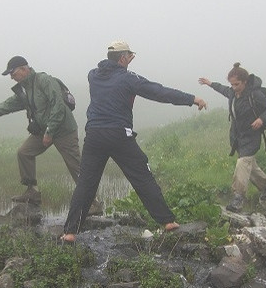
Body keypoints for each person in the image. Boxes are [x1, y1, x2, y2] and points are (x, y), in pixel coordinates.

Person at [61, 41, 207, 242]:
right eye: (129, 56)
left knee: (86, 183)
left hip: (94, 135)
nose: (131, 59)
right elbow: (158, 92)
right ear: (122, 58)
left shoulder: (93, 75)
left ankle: (69, 232)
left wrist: (124, 60)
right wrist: (192, 99)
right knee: (142, 176)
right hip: (119, 134)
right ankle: (167, 221)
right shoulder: (128, 78)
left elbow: (106, 71)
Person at [0, 56, 102, 213]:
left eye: (13, 73)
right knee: (24, 152)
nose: (11, 77)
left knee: (75, 165)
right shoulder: (25, 91)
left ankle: (94, 203)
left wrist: (50, 131)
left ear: (23, 69)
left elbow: (59, 106)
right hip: (43, 131)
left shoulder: (44, 81)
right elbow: (4, 107)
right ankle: (32, 193)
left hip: (63, 130)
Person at [199, 63, 266, 212]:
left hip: (252, 136)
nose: (234, 87)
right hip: (238, 137)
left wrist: (261, 119)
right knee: (249, 165)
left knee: (242, 162)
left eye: (237, 84)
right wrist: (210, 83)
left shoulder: (255, 95)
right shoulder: (233, 93)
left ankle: (238, 197)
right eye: (232, 84)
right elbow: (223, 89)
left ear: (245, 82)